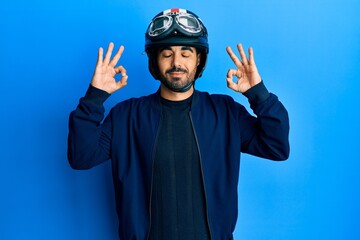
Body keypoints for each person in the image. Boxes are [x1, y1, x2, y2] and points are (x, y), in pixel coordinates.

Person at [67, 8, 290, 240]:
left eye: (186, 53)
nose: (176, 63)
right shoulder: (126, 116)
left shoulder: (226, 113)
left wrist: (258, 93)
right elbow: (81, 156)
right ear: (155, 61)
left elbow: (276, 147)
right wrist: (95, 97)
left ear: (199, 60)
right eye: (167, 54)